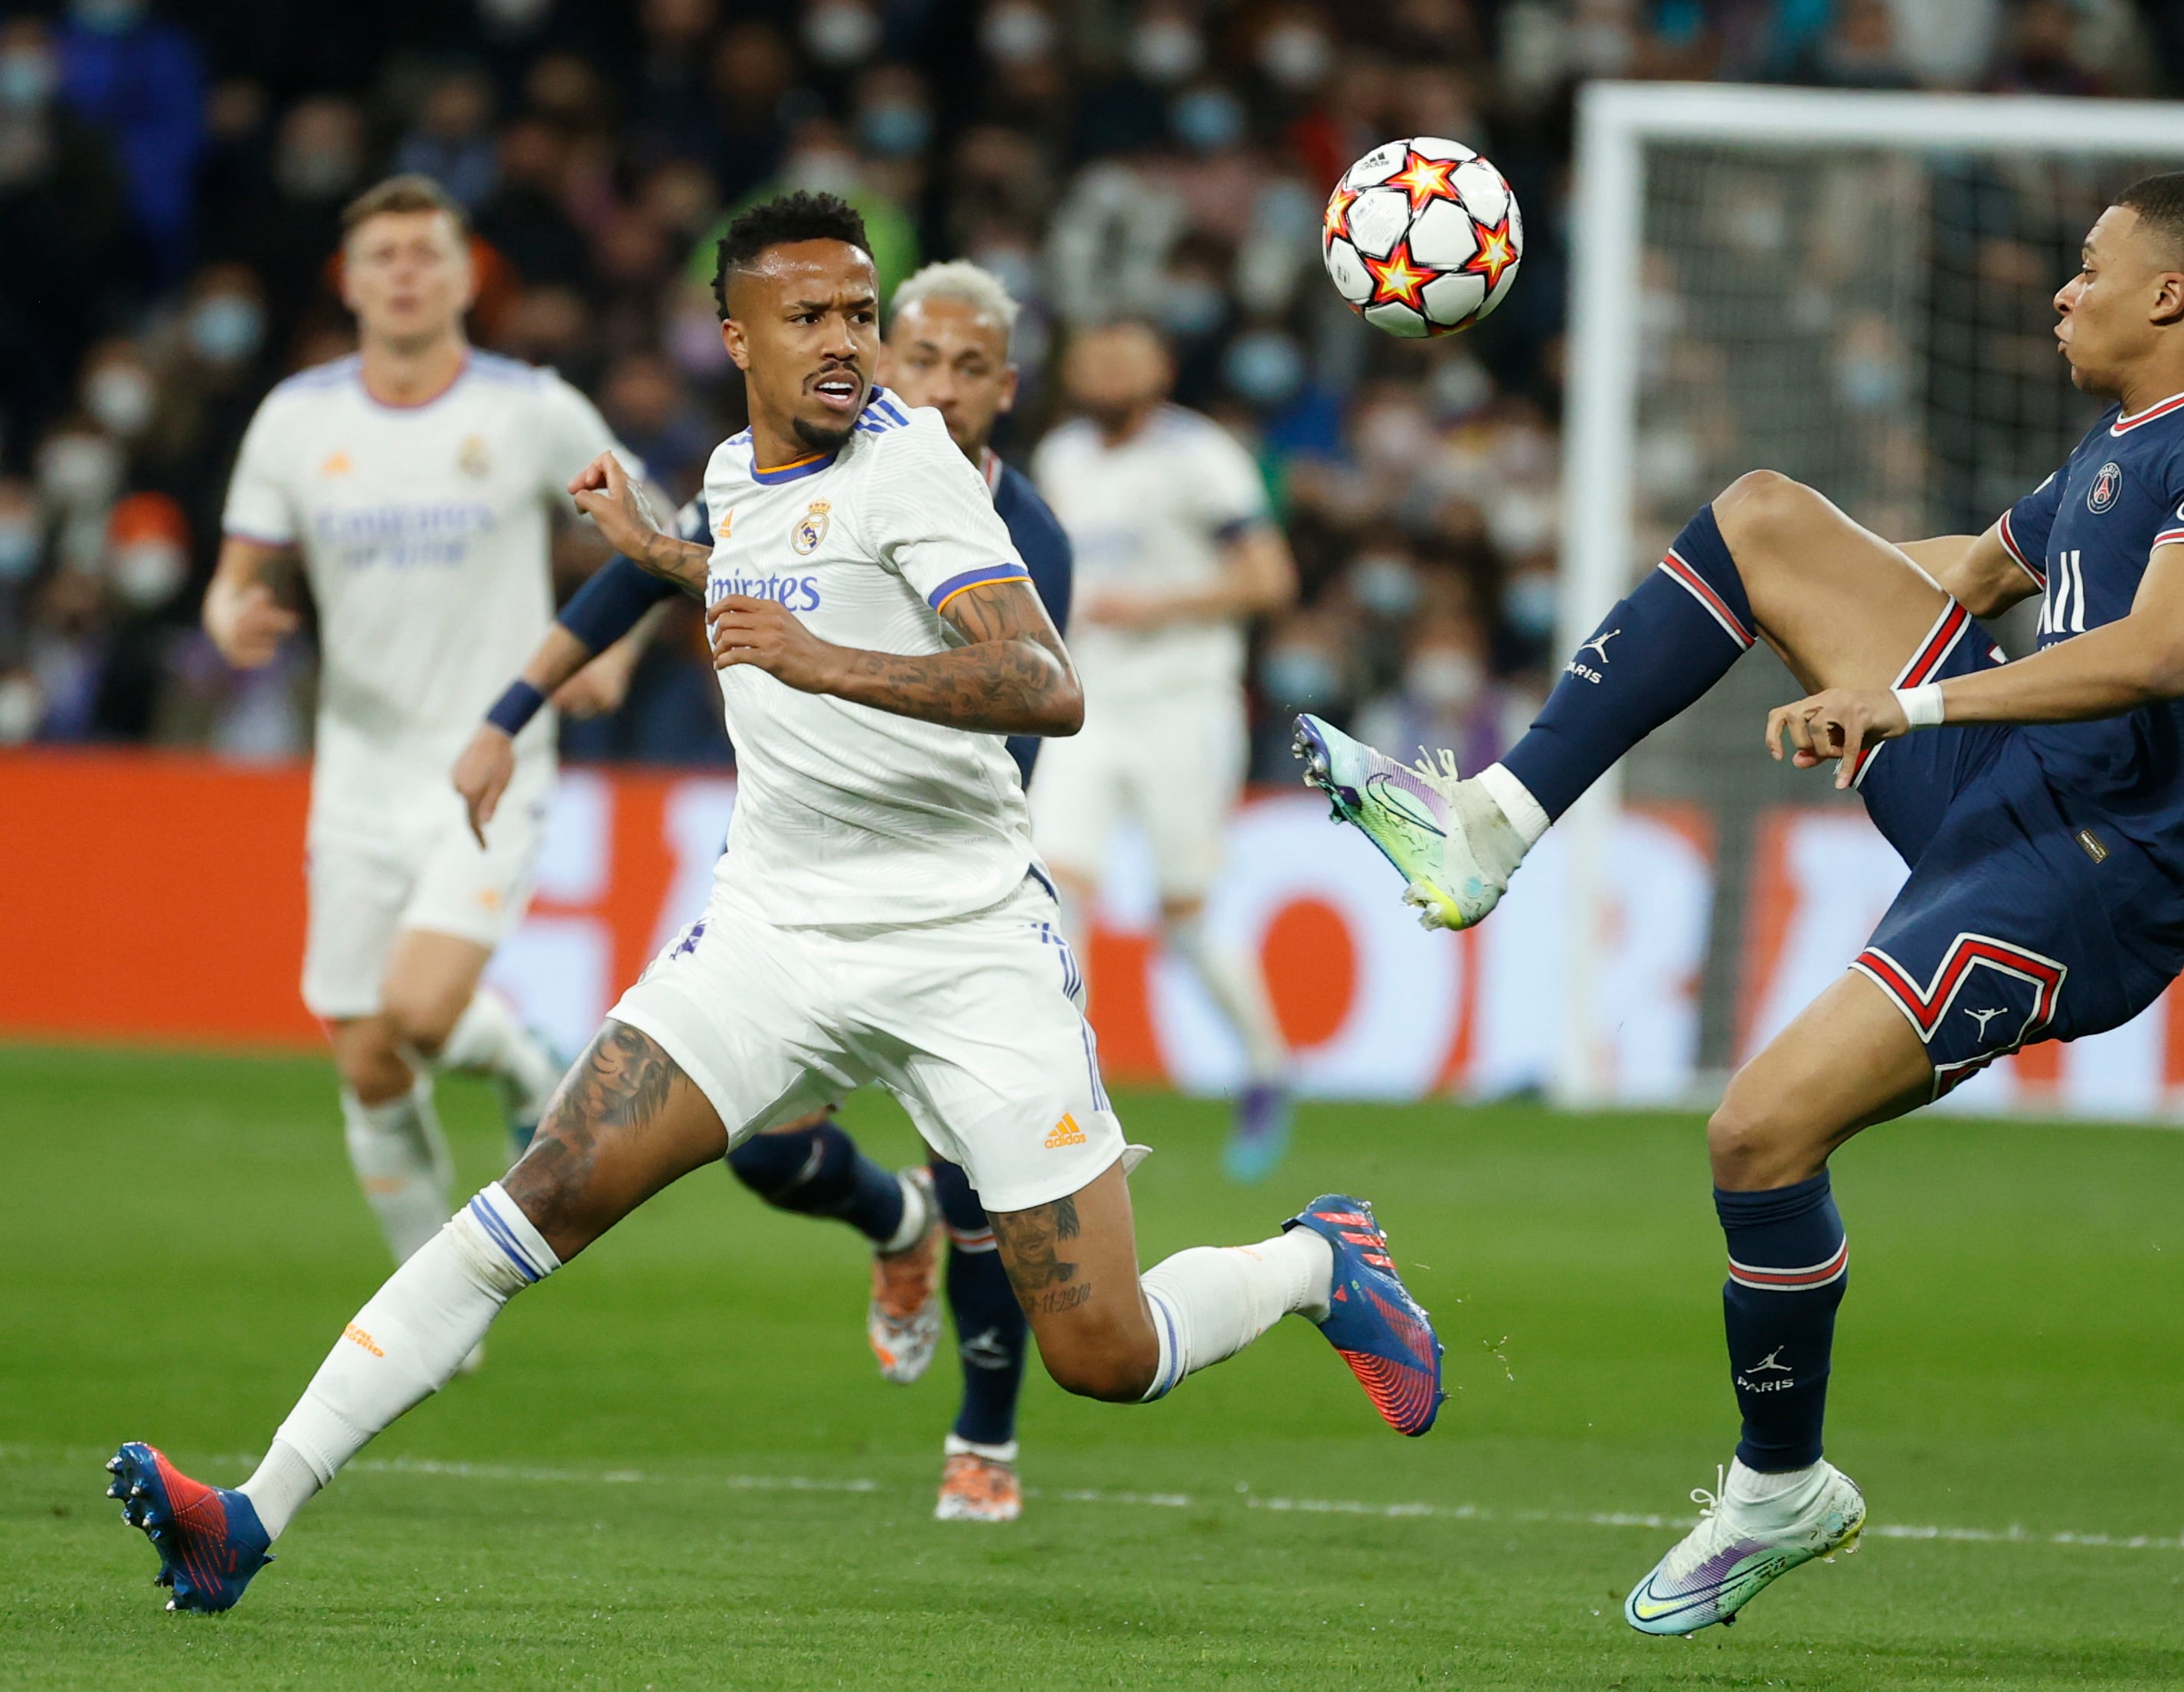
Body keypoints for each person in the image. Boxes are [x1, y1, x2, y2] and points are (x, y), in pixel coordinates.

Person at [112, 192, 1443, 1614]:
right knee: (542, 1192)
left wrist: (824, 661)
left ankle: (1316, 1258)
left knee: (1102, 1353)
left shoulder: (916, 470)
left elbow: (1043, 683)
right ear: (731, 332)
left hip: (963, 946)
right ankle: (247, 1513)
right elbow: (764, 558)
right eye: (809, 316)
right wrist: (666, 556)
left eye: (859, 315)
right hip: (773, 932)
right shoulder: (733, 472)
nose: (845, 344)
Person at [1297, 172, 2184, 1632]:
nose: (2058, 289)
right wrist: (1746, 615)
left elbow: (2158, 652)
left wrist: (1902, 701)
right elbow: (1960, 570)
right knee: (1760, 516)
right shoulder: (2114, 443)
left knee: (1756, 1131)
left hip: (2088, 876)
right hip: (2010, 794)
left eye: (2088, 267)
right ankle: (1490, 825)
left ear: (2169, 294)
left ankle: (1779, 1485)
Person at [447, 259, 1074, 1524]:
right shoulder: (788, 471)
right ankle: (884, 1223)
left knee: (984, 1190)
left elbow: (1009, 722)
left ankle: (983, 1439)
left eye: (969, 369)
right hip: (801, 894)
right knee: (762, 1148)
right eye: (920, 359)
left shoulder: (1022, 532)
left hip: (947, 893)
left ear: (1003, 390)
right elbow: (655, 568)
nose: (940, 388)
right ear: (881, 357)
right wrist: (513, 707)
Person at [203, 174, 651, 1282]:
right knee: (366, 1058)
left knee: (418, 1004)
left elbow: (656, 535)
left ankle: (513, 1066)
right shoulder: (297, 421)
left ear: (464, 275)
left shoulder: (530, 408)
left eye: (425, 252)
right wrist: (233, 617)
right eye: (383, 256)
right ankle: (426, 1289)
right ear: (348, 283)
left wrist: (620, 654)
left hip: (492, 753)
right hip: (355, 765)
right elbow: (232, 578)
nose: (405, 272)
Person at [1028, 321, 1301, 1182]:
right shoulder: (1061, 456)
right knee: (1049, 888)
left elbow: (1269, 577)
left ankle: (1266, 1068)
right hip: (1086, 707)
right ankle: (1068, 1095)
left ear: (1162, 367)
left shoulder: (1200, 455)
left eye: (1126, 352)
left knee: (1184, 922)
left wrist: (1153, 608)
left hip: (1182, 706)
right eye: (1093, 351)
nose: (1107, 366)